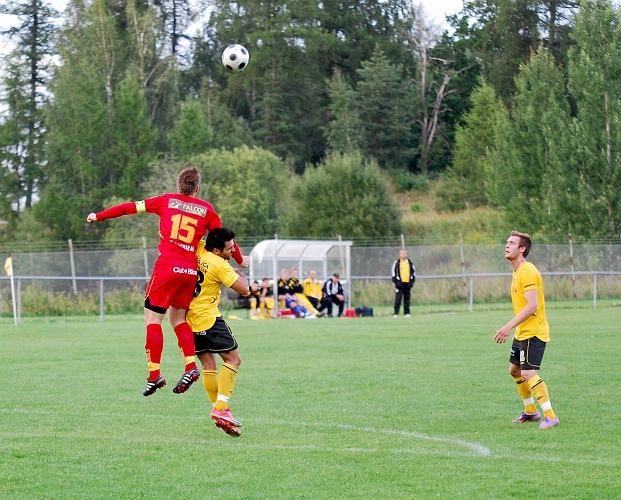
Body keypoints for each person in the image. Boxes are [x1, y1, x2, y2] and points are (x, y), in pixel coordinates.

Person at [86, 167, 248, 397]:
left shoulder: (165, 200)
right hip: (189, 271)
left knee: (153, 319)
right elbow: (226, 240)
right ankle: (190, 366)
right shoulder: (207, 210)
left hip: (167, 267)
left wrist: (99, 215)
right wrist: (240, 261)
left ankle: (154, 375)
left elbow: (129, 207)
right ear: (197, 188)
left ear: (178, 185)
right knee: (178, 317)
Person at [493, 231, 559, 429]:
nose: (507, 245)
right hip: (523, 332)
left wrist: (508, 325)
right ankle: (531, 412)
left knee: (528, 372)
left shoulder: (528, 271)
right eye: (507, 242)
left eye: (512, 243)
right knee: (515, 371)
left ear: (522, 249)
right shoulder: (517, 272)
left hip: (534, 332)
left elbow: (532, 306)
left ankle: (550, 416)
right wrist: (516, 328)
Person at [186, 227, 248, 437]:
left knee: (208, 364)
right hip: (209, 318)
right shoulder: (220, 265)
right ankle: (220, 409)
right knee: (234, 359)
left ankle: (219, 410)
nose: (233, 251)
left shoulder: (199, 248)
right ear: (217, 250)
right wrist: (240, 274)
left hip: (189, 318)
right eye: (229, 248)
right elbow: (244, 289)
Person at [392, 248, 416, 318]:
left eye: (404, 253)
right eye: (402, 253)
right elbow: (393, 273)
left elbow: (413, 273)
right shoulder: (397, 263)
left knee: (407, 299)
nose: (403, 255)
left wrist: (411, 282)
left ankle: (407, 313)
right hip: (400, 285)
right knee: (398, 299)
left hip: (408, 284)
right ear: (400, 254)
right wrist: (397, 282)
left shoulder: (410, 263)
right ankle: (396, 313)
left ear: (406, 254)